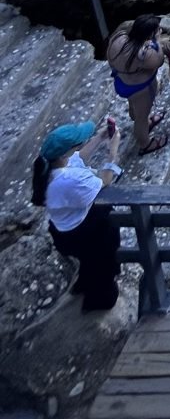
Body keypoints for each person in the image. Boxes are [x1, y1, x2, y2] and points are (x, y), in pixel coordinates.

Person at [31, 120, 123, 311]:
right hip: (83, 234)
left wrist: (99, 137)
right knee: (103, 272)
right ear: (64, 153)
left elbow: (78, 157)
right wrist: (112, 152)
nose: (82, 142)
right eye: (78, 142)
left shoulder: (49, 167)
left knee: (89, 262)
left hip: (62, 229)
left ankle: (84, 281)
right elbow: (105, 180)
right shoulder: (70, 180)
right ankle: (97, 301)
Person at [106, 16, 169, 153]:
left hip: (121, 81)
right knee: (141, 118)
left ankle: (141, 119)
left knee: (135, 107)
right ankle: (145, 143)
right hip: (140, 88)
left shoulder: (119, 37)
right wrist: (157, 40)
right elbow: (158, 61)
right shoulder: (143, 53)